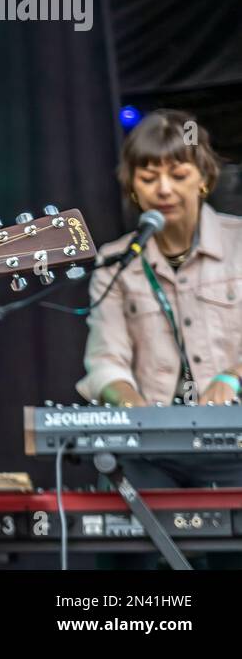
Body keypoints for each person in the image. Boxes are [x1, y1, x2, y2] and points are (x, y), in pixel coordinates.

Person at [79, 110, 242, 493]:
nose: (164, 189)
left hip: (235, 444)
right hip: (151, 452)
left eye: (179, 175)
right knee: (117, 510)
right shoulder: (114, 261)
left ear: (204, 179)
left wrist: (231, 378)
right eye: (149, 179)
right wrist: (132, 406)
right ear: (133, 188)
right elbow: (105, 360)